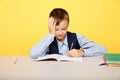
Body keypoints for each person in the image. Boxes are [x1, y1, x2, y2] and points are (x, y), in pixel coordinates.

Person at [30, 8, 107, 59]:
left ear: (68, 25)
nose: (60, 33)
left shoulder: (77, 37)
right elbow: (33, 54)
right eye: (56, 29)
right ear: (51, 27)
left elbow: (103, 50)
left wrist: (82, 52)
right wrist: (51, 34)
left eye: (64, 29)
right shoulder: (48, 40)